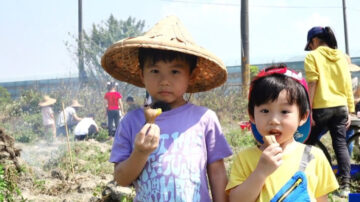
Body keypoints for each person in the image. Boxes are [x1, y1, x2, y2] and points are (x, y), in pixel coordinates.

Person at [102, 16, 232, 201]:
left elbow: (217, 172)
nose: (164, 81)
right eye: (155, 71)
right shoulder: (131, 122)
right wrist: (140, 152)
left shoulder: (203, 118)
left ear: (191, 76)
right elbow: (121, 179)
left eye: (175, 71)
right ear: (142, 75)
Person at [226, 65, 339, 201]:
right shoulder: (245, 159)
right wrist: (261, 172)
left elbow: (321, 198)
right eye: (265, 111)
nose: (273, 120)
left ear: (303, 116)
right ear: (252, 116)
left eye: (284, 112)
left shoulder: (314, 156)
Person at [303, 26, 354, 197]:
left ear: (314, 41)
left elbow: (312, 83)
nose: (310, 48)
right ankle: (345, 186)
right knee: (340, 144)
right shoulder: (342, 57)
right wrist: (351, 109)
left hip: (321, 107)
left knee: (306, 142)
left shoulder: (312, 56)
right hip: (341, 107)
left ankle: (302, 179)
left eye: (310, 45)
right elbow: (347, 84)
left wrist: (308, 111)